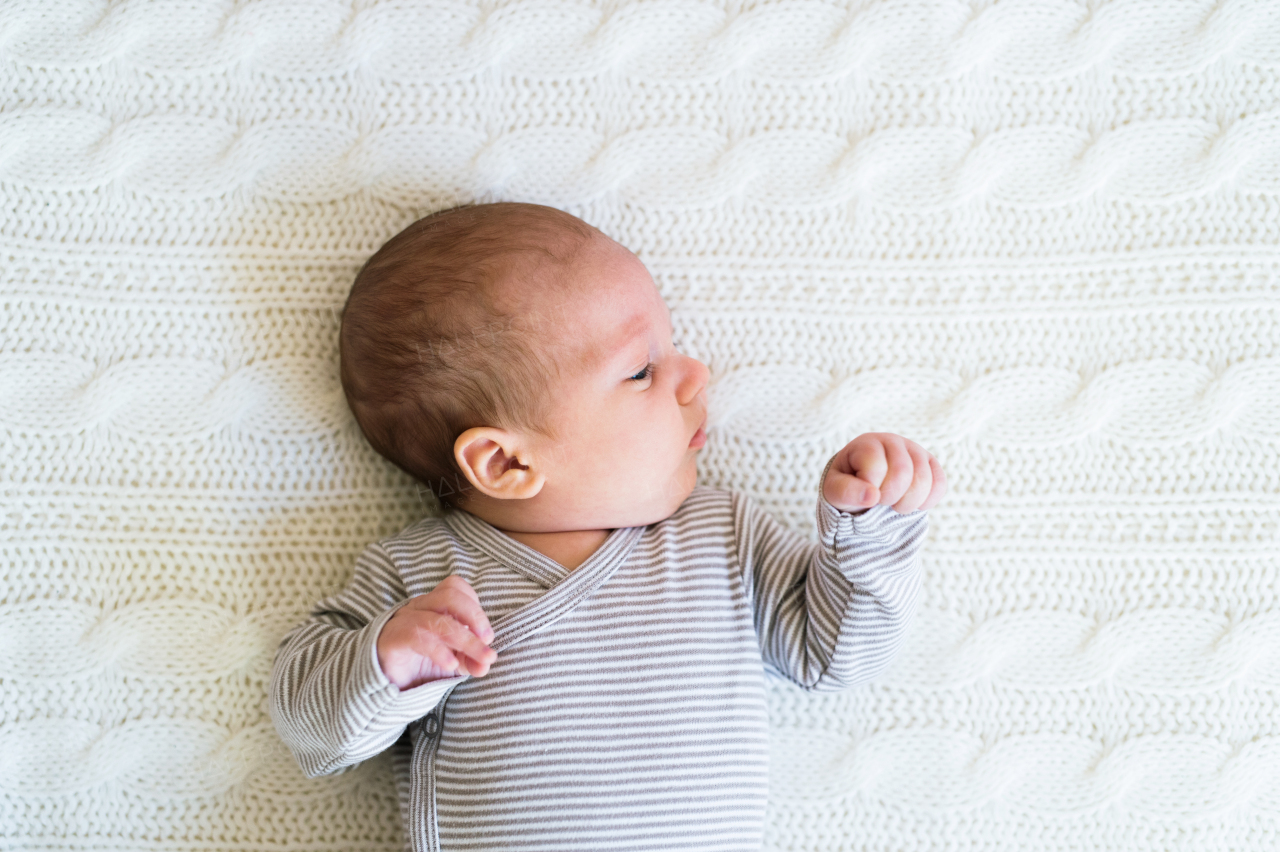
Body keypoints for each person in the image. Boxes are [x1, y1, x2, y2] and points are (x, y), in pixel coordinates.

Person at [269, 201, 947, 852]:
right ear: (506, 461)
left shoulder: (719, 537)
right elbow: (309, 729)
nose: (694, 375)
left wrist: (870, 532)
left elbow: (830, 655)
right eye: (642, 369)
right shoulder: (419, 578)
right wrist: (385, 662)